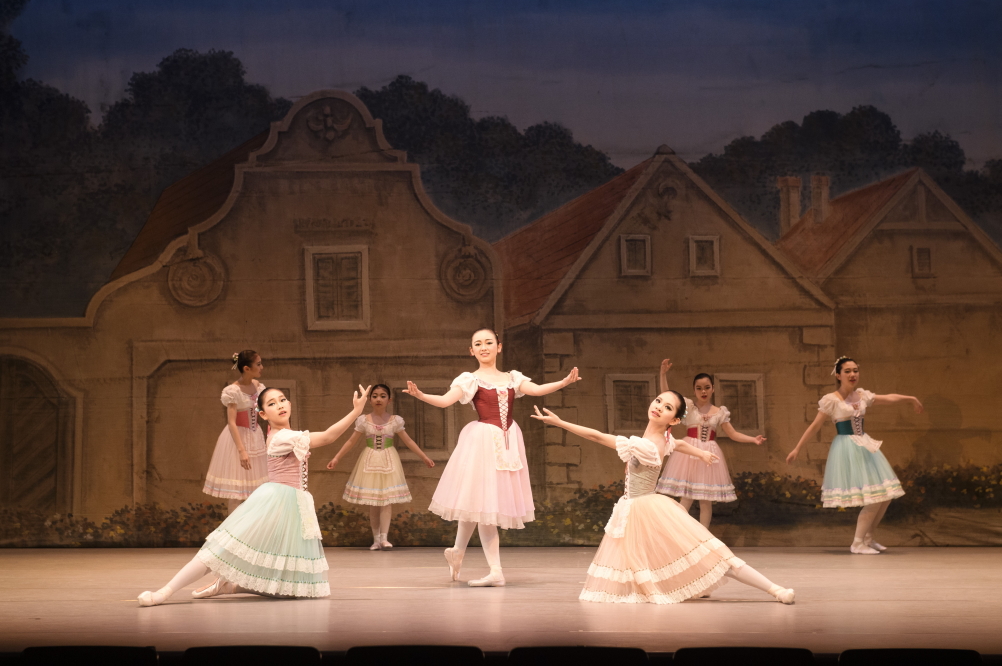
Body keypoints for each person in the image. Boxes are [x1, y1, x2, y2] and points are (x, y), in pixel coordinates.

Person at [531, 392, 795, 605]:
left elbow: (597, 436)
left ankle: (776, 590)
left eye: (667, 407)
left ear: (675, 420)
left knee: (711, 554)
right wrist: (701, 453)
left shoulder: (646, 445)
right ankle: (771, 589)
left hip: (646, 508)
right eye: (658, 401)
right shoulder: (663, 439)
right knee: (659, 558)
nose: (658, 407)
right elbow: (680, 444)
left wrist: (560, 423)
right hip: (637, 508)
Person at [138, 385, 371, 606]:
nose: (280, 405)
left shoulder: (289, 434)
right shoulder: (281, 437)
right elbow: (328, 437)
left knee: (297, 588)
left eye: (282, 400)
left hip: (295, 504)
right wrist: (356, 411)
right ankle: (164, 592)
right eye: (272, 403)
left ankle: (231, 586)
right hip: (276, 501)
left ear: (289, 403)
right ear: (263, 414)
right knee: (219, 551)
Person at [403, 327, 581, 587]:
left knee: (478, 502)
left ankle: (457, 551)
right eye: (478, 344)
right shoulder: (470, 379)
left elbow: (536, 389)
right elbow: (444, 401)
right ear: (471, 350)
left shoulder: (512, 378)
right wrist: (420, 395)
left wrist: (563, 382)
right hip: (483, 442)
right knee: (484, 504)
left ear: (499, 347)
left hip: (507, 441)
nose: (483, 347)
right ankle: (495, 570)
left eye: (488, 342)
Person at [786, 356, 923, 554]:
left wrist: (910, 399)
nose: (852, 374)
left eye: (855, 370)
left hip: (864, 445)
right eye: (847, 371)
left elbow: (888, 398)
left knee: (885, 496)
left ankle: (868, 538)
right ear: (838, 375)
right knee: (874, 498)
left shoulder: (862, 395)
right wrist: (797, 448)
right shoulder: (832, 400)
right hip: (847, 448)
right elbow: (815, 426)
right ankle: (857, 543)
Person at [656, 360, 766, 527]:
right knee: (686, 498)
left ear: (713, 389)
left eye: (707, 387)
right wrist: (663, 374)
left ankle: (704, 536)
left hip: (709, 454)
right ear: (694, 390)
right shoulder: (689, 407)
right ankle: (679, 533)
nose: (703, 391)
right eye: (699, 388)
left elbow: (733, 434)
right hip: (690, 453)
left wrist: (753, 439)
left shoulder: (719, 412)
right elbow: (668, 397)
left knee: (705, 501)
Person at [327, 384, 435, 550]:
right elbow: (351, 441)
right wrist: (336, 458)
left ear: (389, 400)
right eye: (375, 396)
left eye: (383, 396)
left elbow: (408, 440)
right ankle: (376, 539)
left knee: (386, 501)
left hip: (388, 460)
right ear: (370, 400)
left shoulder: (395, 421)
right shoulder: (364, 420)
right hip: (369, 460)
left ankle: (384, 538)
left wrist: (424, 457)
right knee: (373, 502)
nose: (378, 399)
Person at [202, 350, 269, 512]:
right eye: (258, 364)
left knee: (256, 490)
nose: (262, 367)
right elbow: (231, 422)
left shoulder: (259, 387)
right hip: (238, 438)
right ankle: (233, 526)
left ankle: (252, 525)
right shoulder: (233, 391)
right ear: (247, 368)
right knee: (237, 491)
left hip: (255, 436)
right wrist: (241, 450)